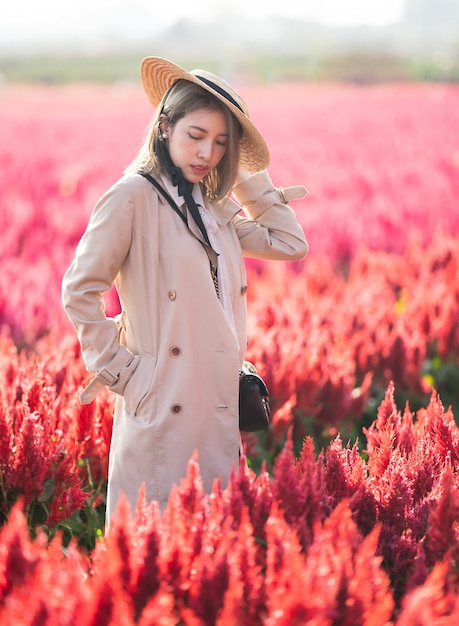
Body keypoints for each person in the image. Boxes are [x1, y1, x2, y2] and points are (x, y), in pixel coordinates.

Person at [62, 56, 308, 527]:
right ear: (165, 126)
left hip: (215, 406)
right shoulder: (131, 196)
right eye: (195, 136)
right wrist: (125, 373)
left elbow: (290, 243)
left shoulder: (213, 206)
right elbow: (79, 289)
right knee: (152, 555)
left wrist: (240, 172)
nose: (206, 154)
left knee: (209, 557)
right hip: (162, 404)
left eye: (220, 144)